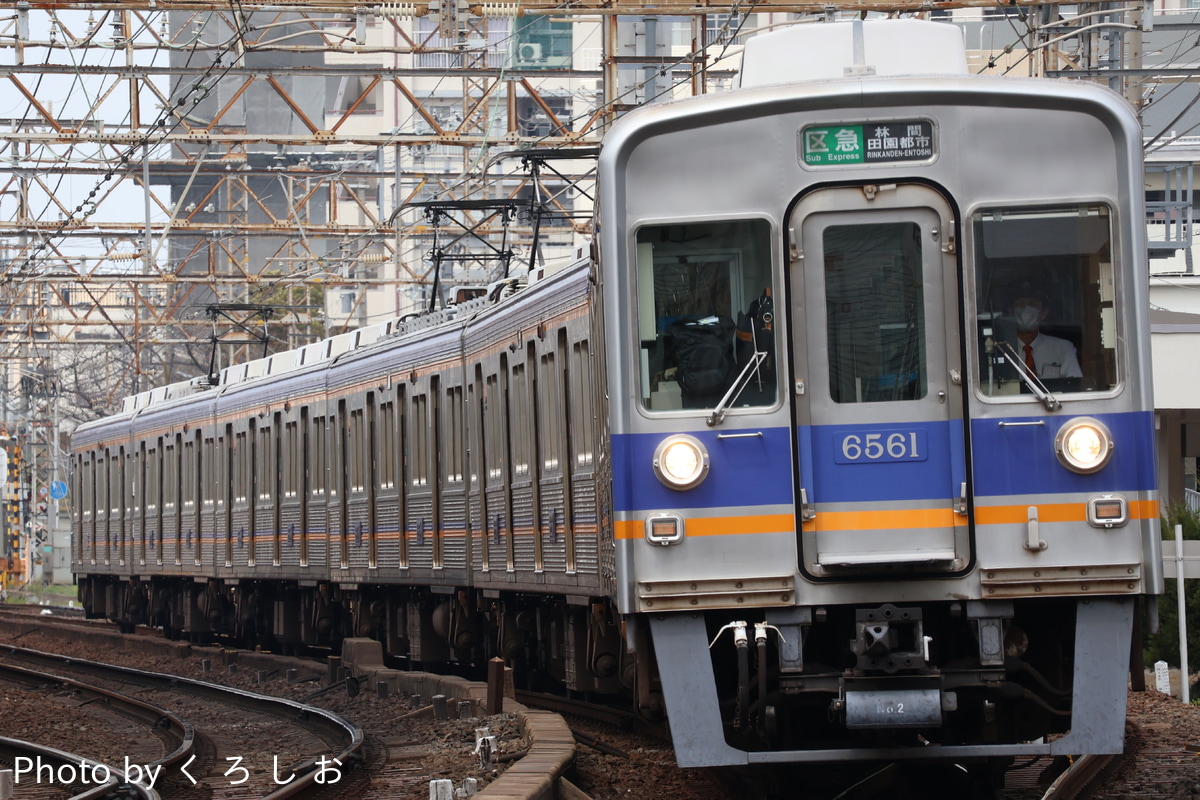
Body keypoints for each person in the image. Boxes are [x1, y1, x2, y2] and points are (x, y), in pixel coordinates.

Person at [1009, 288, 1082, 379]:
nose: (1026, 310)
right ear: (1011, 313)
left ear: (1044, 313)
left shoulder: (1063, 348)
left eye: (1033, 304)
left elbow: (1073, 386)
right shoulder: (1000, 350)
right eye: (1020, 304)